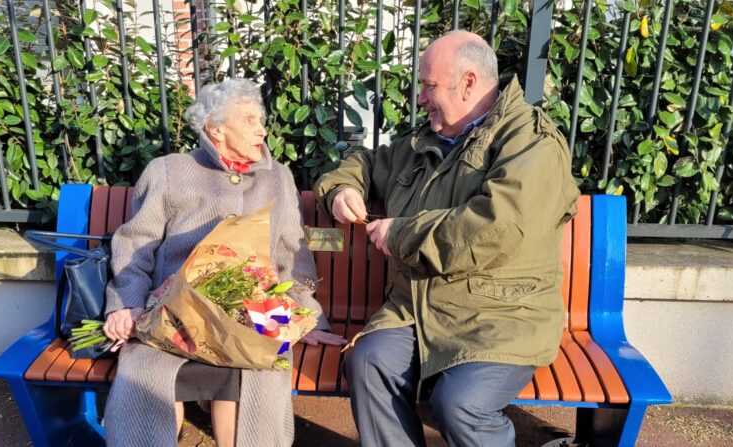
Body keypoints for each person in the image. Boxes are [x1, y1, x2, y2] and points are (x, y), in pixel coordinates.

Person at [313, 30, 580, 446]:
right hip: (416, 308)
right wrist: (343, 188)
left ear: (468, 82)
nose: (420, 97)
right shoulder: (425, 141)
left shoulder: (531, 142)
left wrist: (400, 231)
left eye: (428, 85)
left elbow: (496, 228)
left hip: (501, 313)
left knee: (460, 403)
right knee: (369, 361)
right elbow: (364, 162)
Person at [101, 78, 347, 447]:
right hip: (172, 312)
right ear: (215, 129)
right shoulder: (168, 171)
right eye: (248, 120)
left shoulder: (277, 178)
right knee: (146, 373)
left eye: (260, 119)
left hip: (258, 312)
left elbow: (290, 253)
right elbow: (136, 244)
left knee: (258, 371)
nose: (261, 129)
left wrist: (304, 317)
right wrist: (127, 304)